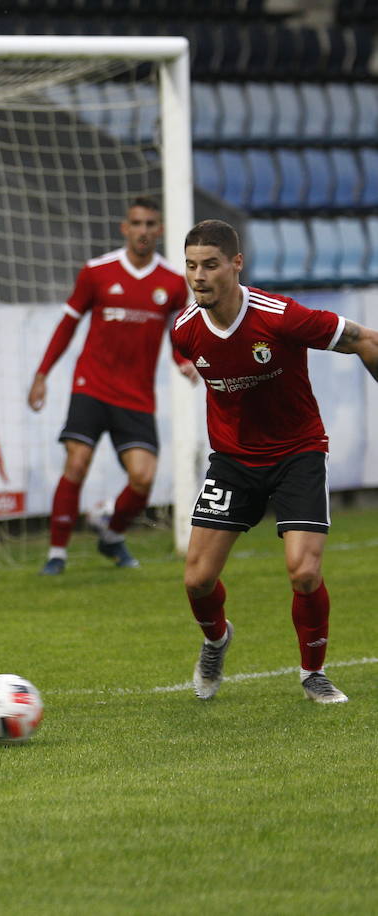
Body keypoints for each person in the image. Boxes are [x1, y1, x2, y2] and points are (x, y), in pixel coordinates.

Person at [171, 219, 378, 704]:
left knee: (303, 572)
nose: (199, 276)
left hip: (296, 454)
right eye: (191, 266)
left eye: (211, 265)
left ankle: (313, 674)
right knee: (198, 579)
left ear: (236, 264)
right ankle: (216, 640)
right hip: (233, 462)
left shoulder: (280, 316)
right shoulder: (185, 332)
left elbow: (366, 339)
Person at [27, 197, 195, 575]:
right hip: (92, 384)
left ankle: (112, 536)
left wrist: (184, 362)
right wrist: (41, 375)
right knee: (77, 462)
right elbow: (68, 325)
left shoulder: (171, 282)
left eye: (151, 224)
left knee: (143, 477)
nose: (143, 231)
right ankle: (57, 554)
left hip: (136, 395)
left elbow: (177, 336)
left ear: (160, 230)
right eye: (137, 223)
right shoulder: (97, 271)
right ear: (125, 228)